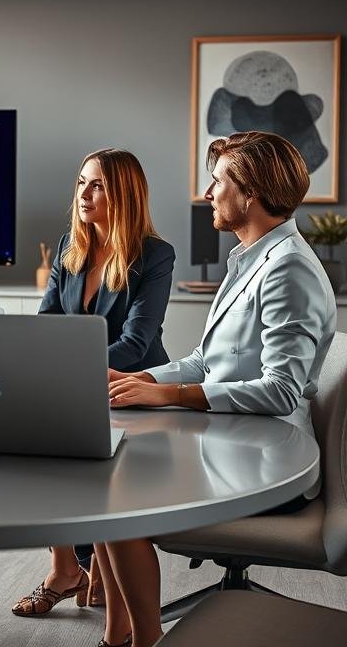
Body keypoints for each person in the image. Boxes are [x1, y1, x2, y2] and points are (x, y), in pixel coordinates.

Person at [101, 131, 336, 647]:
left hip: (269, 467)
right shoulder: (250, 258)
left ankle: (141, 640)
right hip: (234, 442)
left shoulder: (288, 270)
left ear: (249, 192)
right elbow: (207, 361)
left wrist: (172, 396)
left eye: (217, 181)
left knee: (112, 492)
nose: (208, 192)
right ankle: (118, 631)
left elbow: (280, 390)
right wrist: (143, 379)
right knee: (105, 467)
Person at [12, 149, 174, 622]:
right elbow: (47, 323)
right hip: (78, 389)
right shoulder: (71, 245)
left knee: (63, 450)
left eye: (98, 184)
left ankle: (89, 571)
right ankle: (67, 569)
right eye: (82, 182)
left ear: (124, 192)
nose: (85, 193)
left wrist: (66, 372)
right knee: (30, 440)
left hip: (134, 391)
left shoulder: (154, 255)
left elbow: (135, 343)